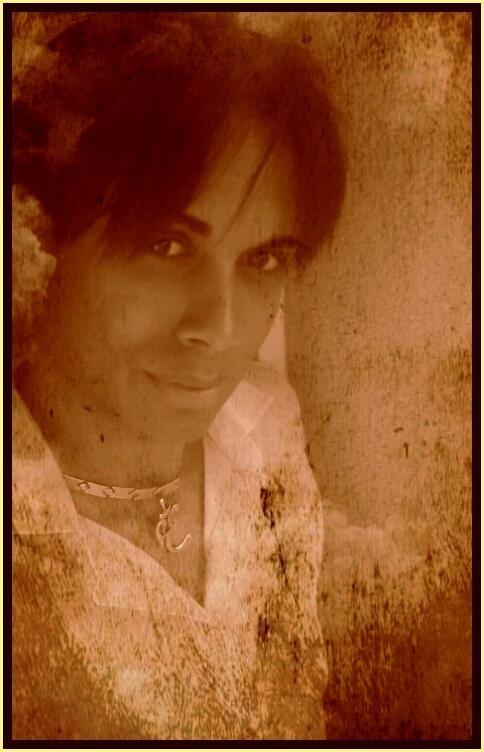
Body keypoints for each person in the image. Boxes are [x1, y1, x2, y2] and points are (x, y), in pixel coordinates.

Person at [11, 11, 345, 740]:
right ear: (36, 241)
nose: (220, 329)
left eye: (263, 259)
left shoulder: (264, 433)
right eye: (166, 245)